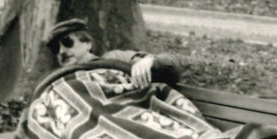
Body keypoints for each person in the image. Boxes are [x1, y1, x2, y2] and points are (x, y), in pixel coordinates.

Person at [44, 18, 182, 87]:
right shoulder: (62, 81)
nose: (62, 51)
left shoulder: (113, 59)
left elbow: (172, 65)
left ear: (87, 43)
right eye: (56, 48)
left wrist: (150, 61)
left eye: (68, 42)